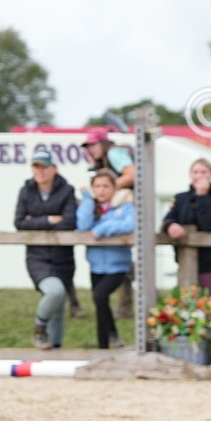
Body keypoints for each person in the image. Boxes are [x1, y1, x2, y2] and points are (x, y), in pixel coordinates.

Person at [14, 148, 78, 350]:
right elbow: (19, 223)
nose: (40, 170)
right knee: (54, 292)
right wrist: (50, 219)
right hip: (37, 256)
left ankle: (54, 350)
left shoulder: (67, 190)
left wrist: (35, 220)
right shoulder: (26, 190)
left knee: (59, 307)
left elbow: (69, 222)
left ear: (54, 168)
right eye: (36, 166)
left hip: (63, 256)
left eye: (44, 166)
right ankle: (39, 328)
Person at [77, 169, 135, 349]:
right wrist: (87, 199)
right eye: (97, 186)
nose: (101, 190)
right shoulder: (91, 207)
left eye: (105, 186)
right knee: (100, 304)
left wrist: (103, 229)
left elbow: (130, 224)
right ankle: (104, 345)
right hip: (96, 265)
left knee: (99, 296)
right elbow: (83, 225)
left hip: (117, 265)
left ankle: (113, 337)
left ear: (114, 187)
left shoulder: (125, 206)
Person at [82, 126, 135, 317]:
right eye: (87, 146)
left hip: (124, 208)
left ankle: (126, 304)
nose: (90, 149)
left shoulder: (114, 153)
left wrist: (105, 190)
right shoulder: (99, 161)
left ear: (103, 143)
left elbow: (131, 174)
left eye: (93, 144)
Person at [162, 158, 211, 293]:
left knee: (204, 302)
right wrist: (171, 226)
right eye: (196, 172)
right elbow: (167, 219)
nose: (199, 176)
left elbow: (210, 225)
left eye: (204, 172)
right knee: (184, 300)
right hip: (183, 259)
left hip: (207, 262)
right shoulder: (180, 198)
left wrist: (202, 197)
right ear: (190, 174)